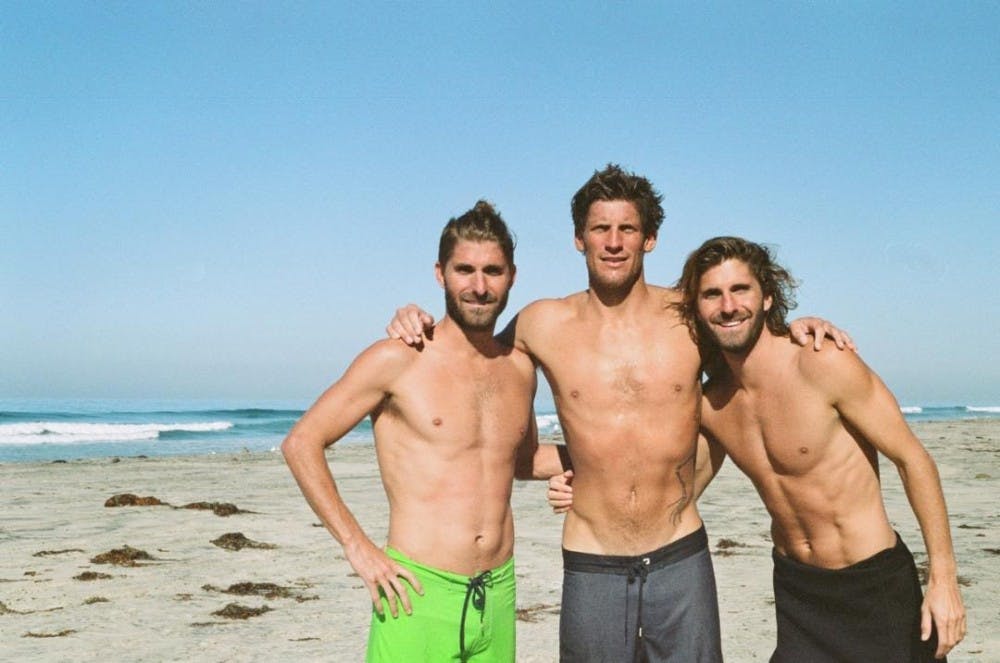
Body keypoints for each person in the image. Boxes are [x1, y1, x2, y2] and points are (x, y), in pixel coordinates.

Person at [388, 165, 849, 662]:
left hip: (680, 556)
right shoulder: (542, 323)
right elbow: (471, 355)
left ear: (649, 238)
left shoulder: (690, 318)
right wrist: (416, 320)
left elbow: (752, 354)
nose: (613, 242)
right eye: (599, 229)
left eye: (627, 228)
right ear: (578, 239)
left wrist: (797, 326)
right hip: (593, 562)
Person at [554, 236, 967, 661]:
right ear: (697, 308)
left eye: (741, 290)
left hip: (872, 586)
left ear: (768, 296)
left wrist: (943, 579)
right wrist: (585, 487)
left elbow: (913, 459)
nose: (728, 306)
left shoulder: (821, 363)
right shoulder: (714, 405)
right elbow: (673, 488)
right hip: (797, 592)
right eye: (712, 294)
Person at [282, 200, 566, 663]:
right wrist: (359, 549)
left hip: (496, 594)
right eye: (464, 270)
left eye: (492, 271)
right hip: (416, 593)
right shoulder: (398, 358)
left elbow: (520, 461)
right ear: (441, 274)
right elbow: (301, 443)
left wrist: (601, 457)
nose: (478, 286)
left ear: (512, 275)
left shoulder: (519, 368)